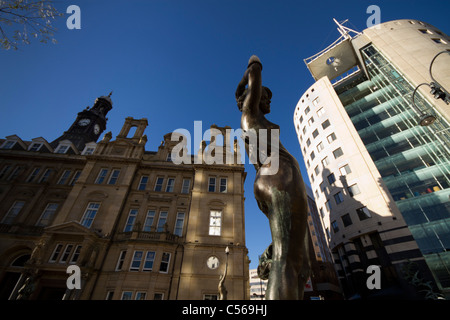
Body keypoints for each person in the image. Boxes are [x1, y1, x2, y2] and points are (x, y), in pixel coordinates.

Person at [235, 55, 310, 299]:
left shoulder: (258, 121)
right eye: (263, 96)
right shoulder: (250, 116)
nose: (268, 100)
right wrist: (252, 65)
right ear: (250, 98)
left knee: (301, 266)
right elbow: (255, 74)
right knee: (286, 259)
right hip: (278, 176)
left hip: (279, 178)